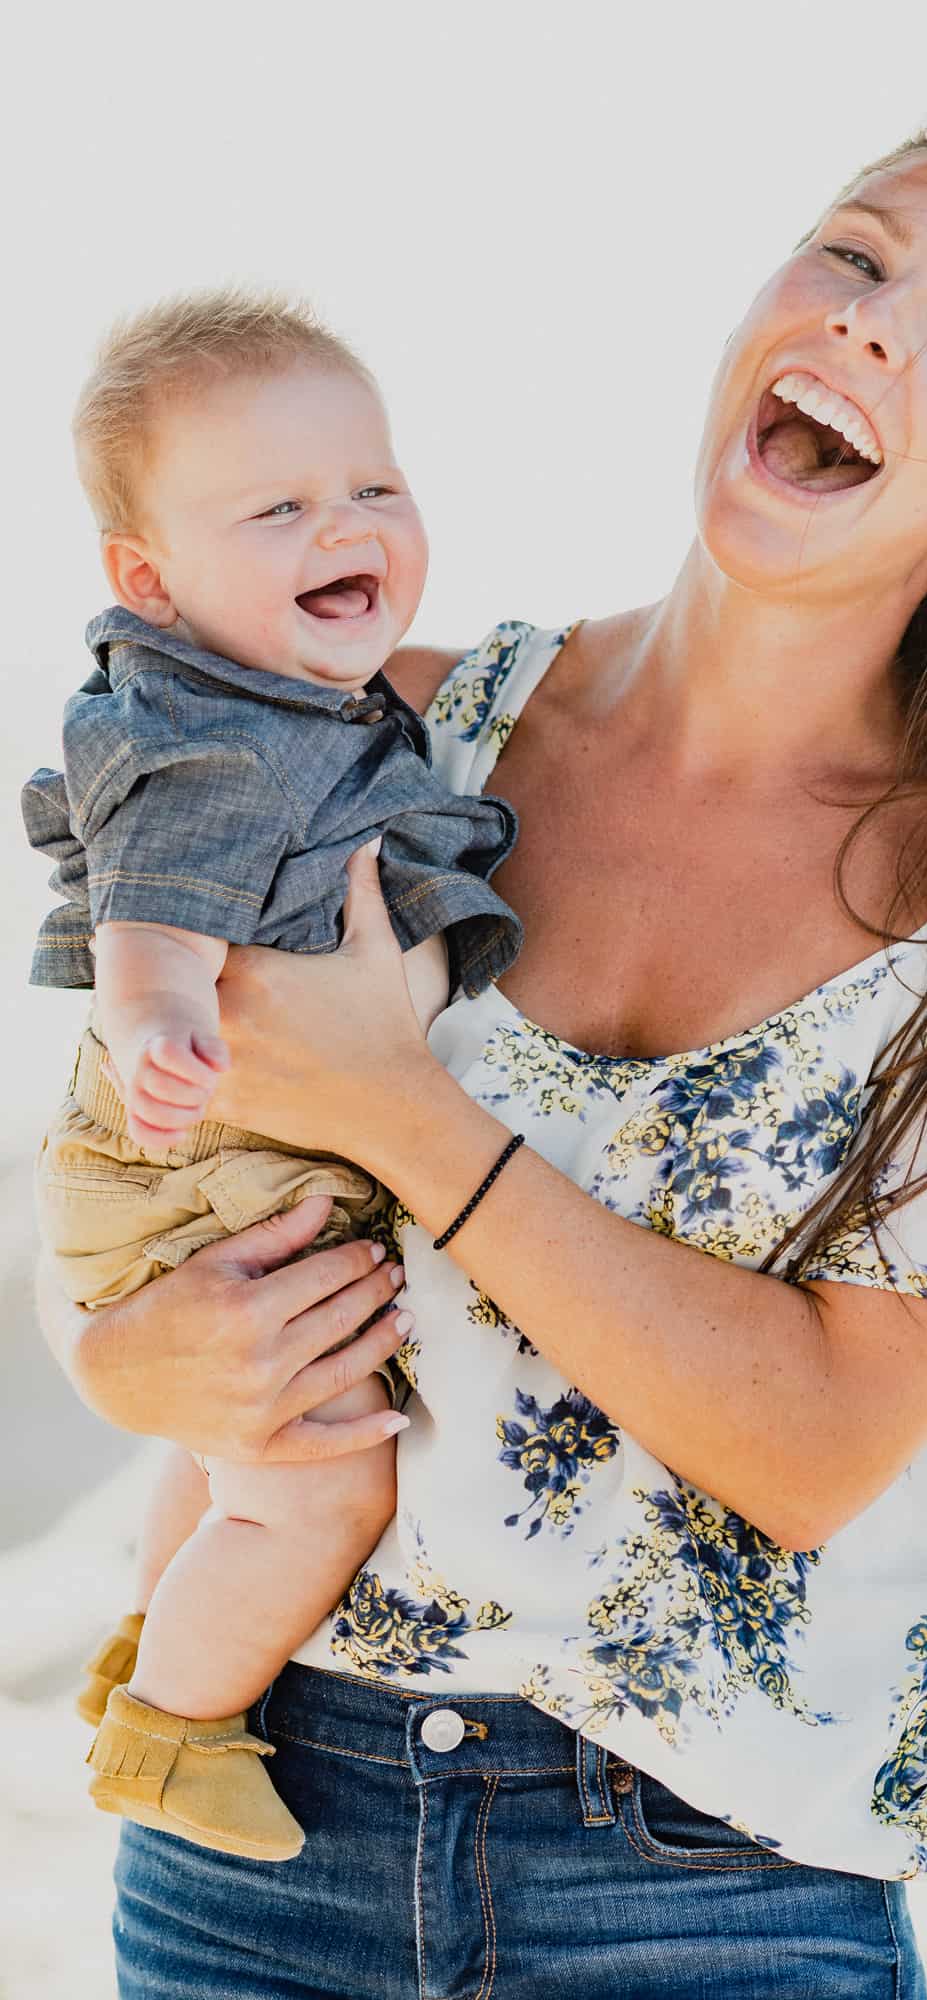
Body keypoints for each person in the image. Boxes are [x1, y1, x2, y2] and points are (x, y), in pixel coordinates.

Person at [40, 112, 927, 2000]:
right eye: (856, 256)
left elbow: (809, 1451)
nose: (878, 324)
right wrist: (114, 1353)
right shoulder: (385, 734)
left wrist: (400, 1113)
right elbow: (143, 1149)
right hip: (268, 1824)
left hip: (710, 1884)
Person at [23, 292, 521, 1863]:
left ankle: (145, 1657)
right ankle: (170, 1740)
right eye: (281, 506)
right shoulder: (209, 727)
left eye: (373, 486)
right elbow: (148, 895)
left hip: (237, 1146)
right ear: (149, 583)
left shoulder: (307, 705)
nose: (345, 525)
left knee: (238, 1454)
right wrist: (162, 1012)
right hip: (197, 1139)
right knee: (316, 1486)